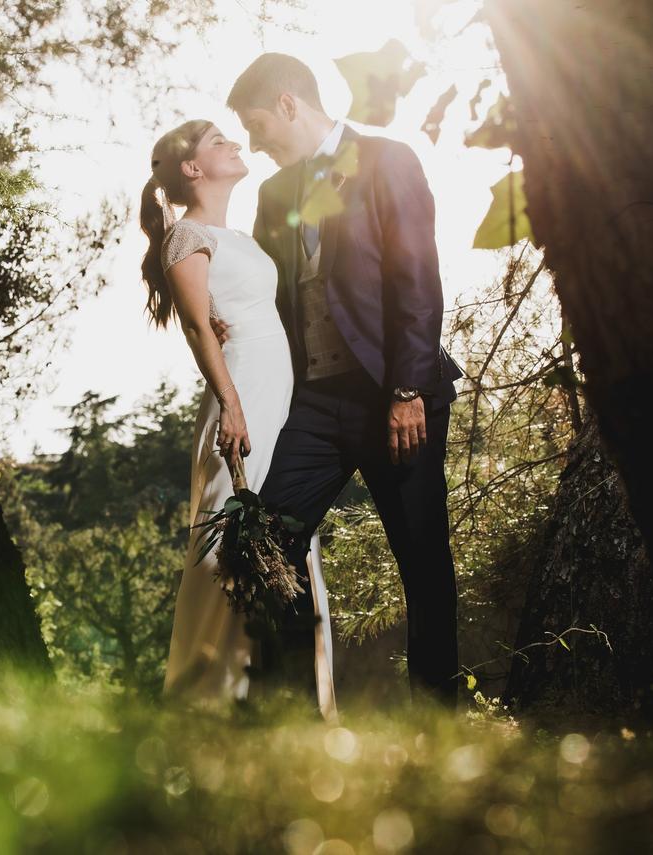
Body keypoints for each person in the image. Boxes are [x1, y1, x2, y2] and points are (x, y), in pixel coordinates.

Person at [214, 53, 466, 711]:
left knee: (423, 561)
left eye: (258, 123)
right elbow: (275, 297)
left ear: (291, 104)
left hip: (392, 394)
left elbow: (416, 280)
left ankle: (440, 716)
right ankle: (291, 715)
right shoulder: (272, 197)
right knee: (266, 541)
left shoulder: (388, 161)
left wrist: (408, 390)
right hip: (317, 403)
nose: (255, 141)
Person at [143, 119, 338, 722]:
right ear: (192, 170)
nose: (235, 144)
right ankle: (212, 696)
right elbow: (200, 325)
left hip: (279, 396)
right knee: (230, 537)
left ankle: (286, 696)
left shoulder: (246, 240)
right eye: (217, 141)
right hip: (241, 394)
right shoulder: (186, 237)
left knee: (284, 535)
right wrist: (229, 401)